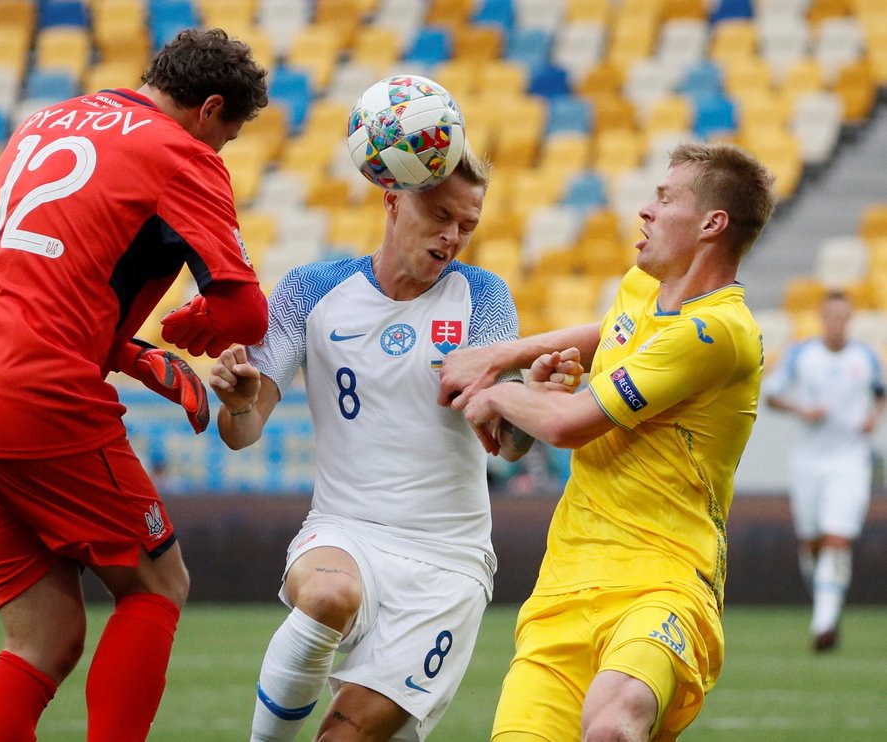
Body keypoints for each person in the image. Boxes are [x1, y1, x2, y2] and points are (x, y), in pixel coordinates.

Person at [0, 29, 269, 741]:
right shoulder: (179, 151)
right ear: (208, 110)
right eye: (226, 138)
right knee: (158, 586)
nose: (219, 153)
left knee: (42, 638)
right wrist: (190, 327)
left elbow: (54, 284)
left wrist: (139, 359)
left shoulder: (40, 123)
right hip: (39, 395)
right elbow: (245, 312)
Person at [209, 148, 577, 741]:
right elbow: (241, 434)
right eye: (439, 215)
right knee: (329, 594)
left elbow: (506, 446)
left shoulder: (482, 298)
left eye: (467, 225)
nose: (452, 236)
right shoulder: (310, 291)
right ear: (393, 199)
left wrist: (532, 399)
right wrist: (238, 401)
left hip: (448, 561)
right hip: (344, 531)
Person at [440, 142, 778, 741]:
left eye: (665, 198)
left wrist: (498, 391)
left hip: (664, 583)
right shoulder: (642, 290)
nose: (644, 211)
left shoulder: (716, 331)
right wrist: (519, 361)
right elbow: (611, 335)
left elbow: (571, 427)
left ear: (711, 224)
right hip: (563, 585)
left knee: (612, 726)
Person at [763, 290, 885, 652]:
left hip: (849, 461)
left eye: (842, 316)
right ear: (822, 317)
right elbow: (771, 394)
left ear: (850, 319)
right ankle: (827, 603)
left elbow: (880, 392)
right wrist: (800, 408)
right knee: (814, 542)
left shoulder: (865, 357)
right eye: (830, 316)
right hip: (808, 462)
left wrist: (873, 418)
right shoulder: (802, 354)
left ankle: (823, 622)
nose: (836, 322)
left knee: (837, 539)